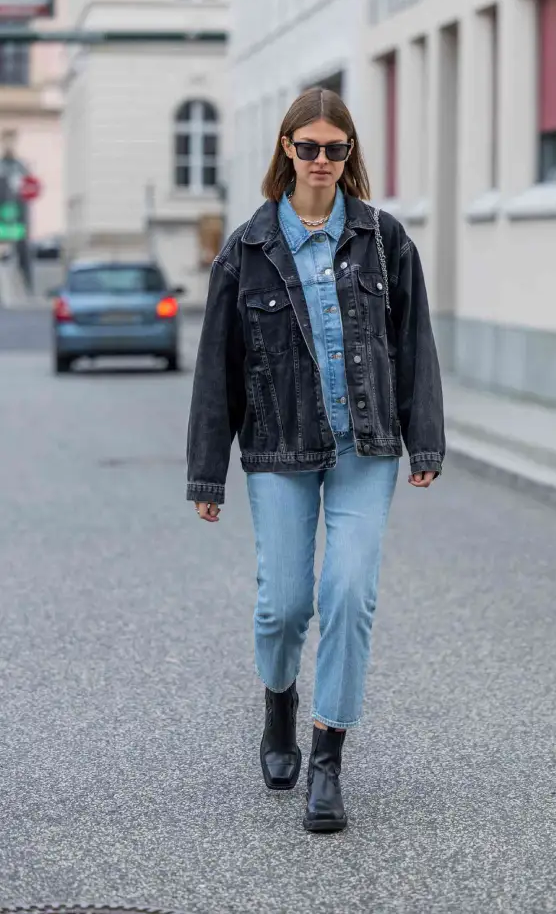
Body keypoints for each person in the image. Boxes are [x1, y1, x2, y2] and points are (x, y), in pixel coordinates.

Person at [187, 87, 445, 833]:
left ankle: (327, 758)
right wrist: (209, 470)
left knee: (349, 594)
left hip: (364, 446)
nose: (323, 161)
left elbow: (413, 343)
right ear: (286, 150)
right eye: (310, 148)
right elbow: (218, 366)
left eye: (337, 149)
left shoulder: (382, 238)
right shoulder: (249, 247)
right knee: (284, 604)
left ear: (350, 154)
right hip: (277, 444)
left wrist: (421, 435)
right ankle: (279, 706)